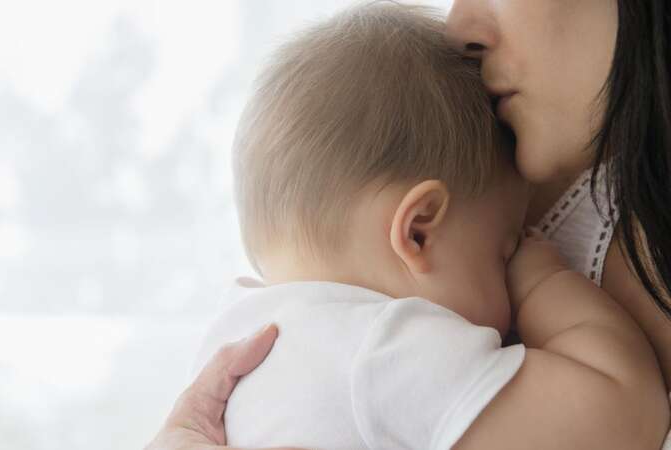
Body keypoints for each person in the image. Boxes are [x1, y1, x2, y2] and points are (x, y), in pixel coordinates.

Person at [146, 0, 671, 448]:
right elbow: (624, 416)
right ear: (417, 231)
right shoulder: (385, 346)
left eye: (511, 255)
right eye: (504, 252)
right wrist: (543, 280)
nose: (458, 27)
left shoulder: (241, 334)